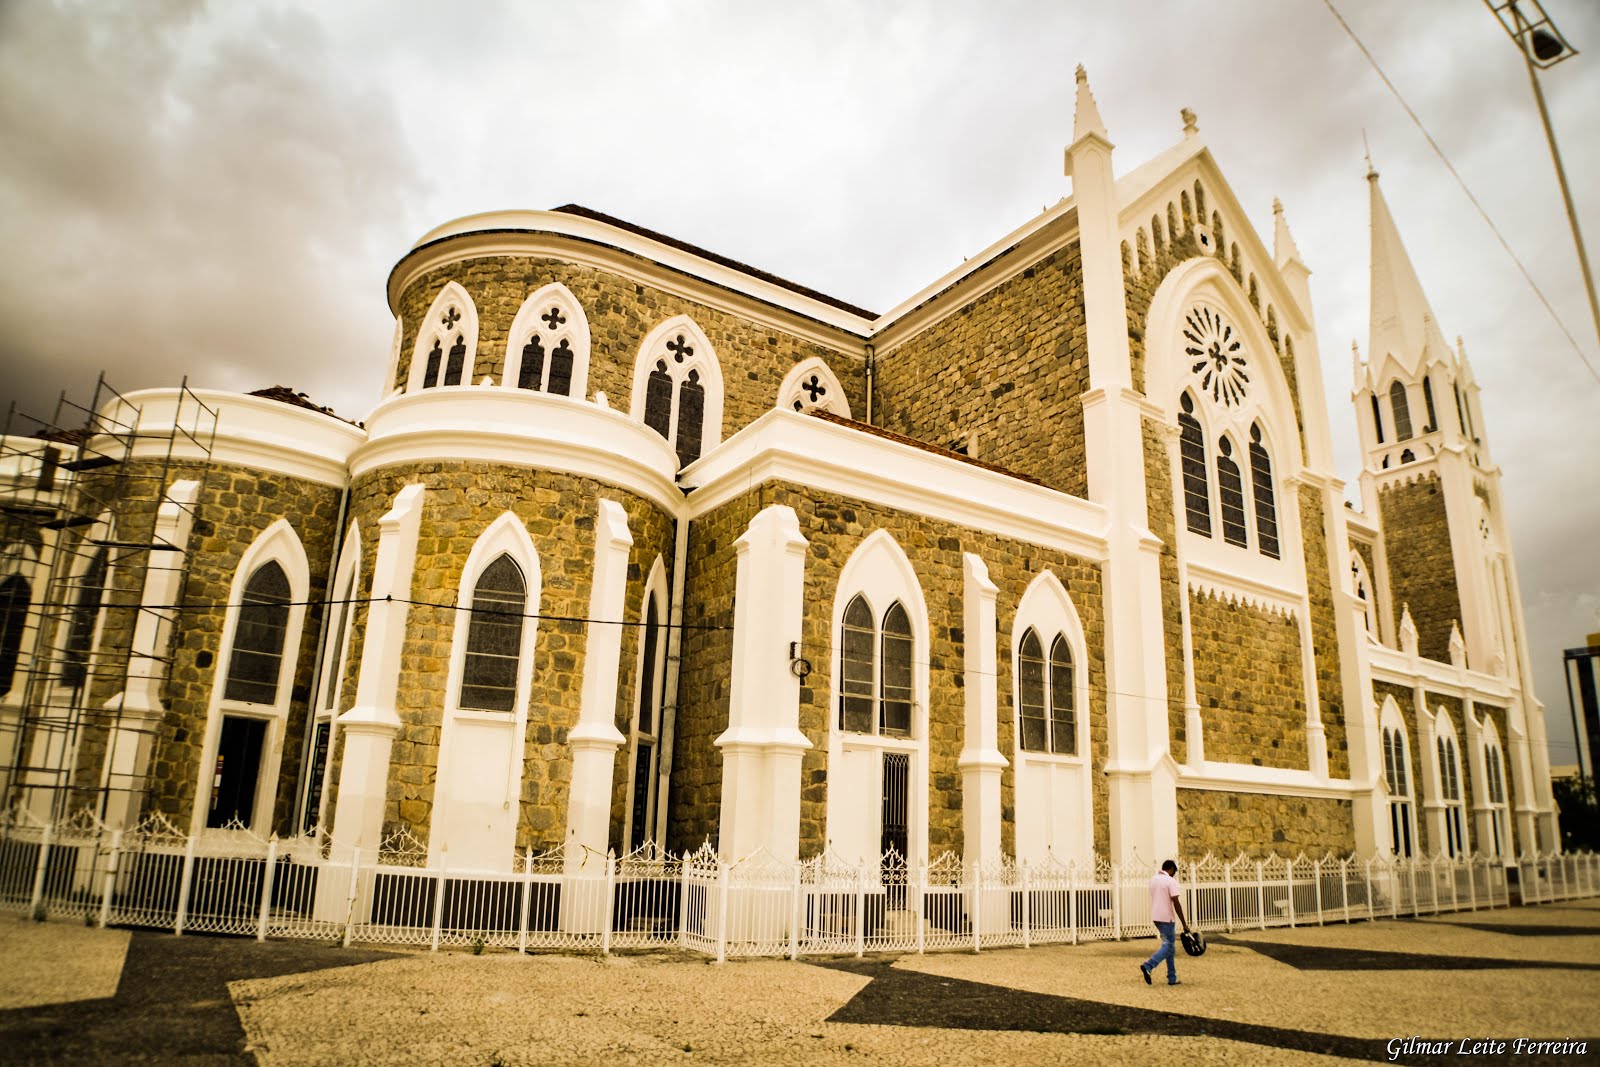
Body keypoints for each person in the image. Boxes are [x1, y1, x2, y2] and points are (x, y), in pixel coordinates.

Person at [1139, 859, 1190, 986]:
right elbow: (1176, 902)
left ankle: (1172, 977)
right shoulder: (1170, 881)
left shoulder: (1153, 879)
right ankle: (1149, 965)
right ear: (1171, 869)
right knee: (1168, 945)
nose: (1174, 875)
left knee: (1170, 948)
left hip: (1156, 916)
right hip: (1167, 917)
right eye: (1174, 872)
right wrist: (1184, 923)